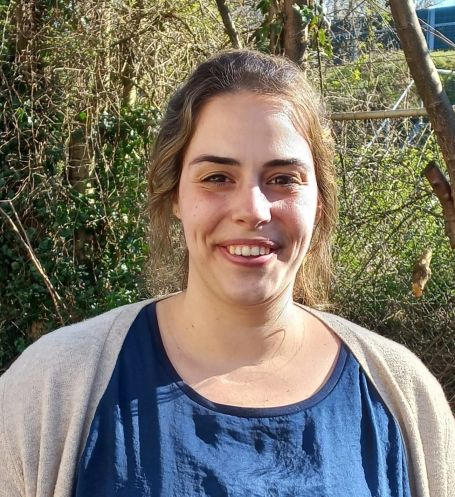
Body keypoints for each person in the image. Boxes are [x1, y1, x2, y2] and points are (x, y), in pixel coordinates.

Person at [0, 50, 453, 497]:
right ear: (175, 195)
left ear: (318, 201)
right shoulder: (51, 390)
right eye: (217, 177)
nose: (252, 210)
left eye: (283, 178)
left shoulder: (404, 397)